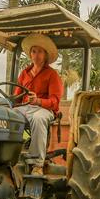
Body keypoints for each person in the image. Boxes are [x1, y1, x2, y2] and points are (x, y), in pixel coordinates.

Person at [13, 34, 64, 175]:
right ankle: (9, 157)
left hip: (44, 109)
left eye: (40, 51)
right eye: (34, 51)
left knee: (38, 118)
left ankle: (37, 165)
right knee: (7, 116)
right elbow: (16, 97)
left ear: (45, 55)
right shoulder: (24, 73)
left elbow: (55, 102)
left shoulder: (52, 75)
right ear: (30, 54)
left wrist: (38, 101)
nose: (36, 55)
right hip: (24, 108)